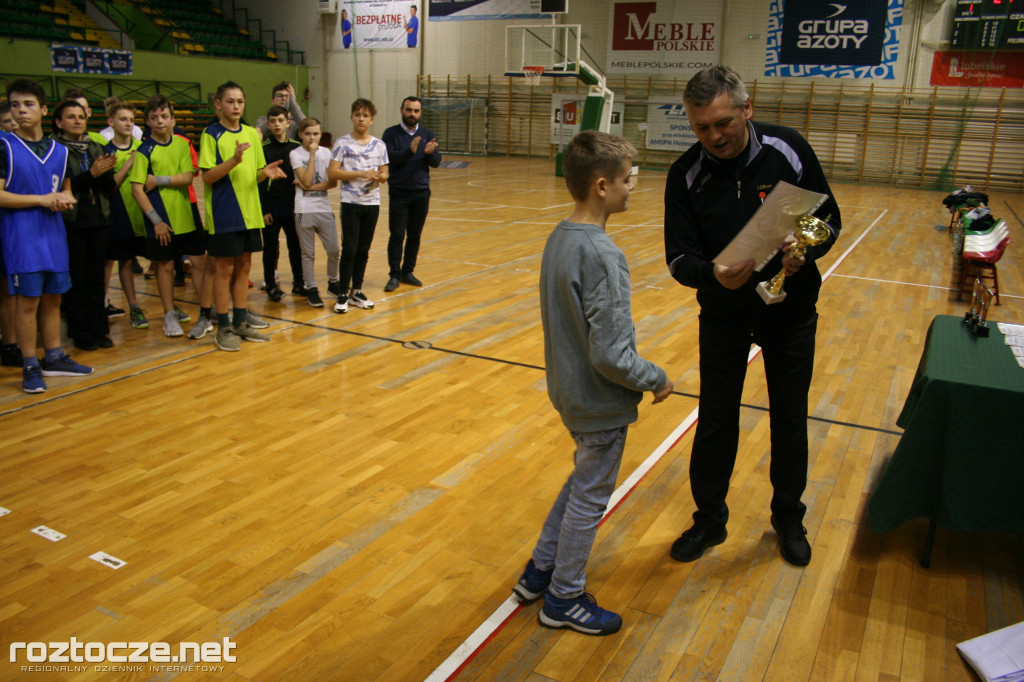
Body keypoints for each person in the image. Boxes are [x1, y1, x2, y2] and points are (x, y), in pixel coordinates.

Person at [663, 66, 842, 567]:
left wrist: (804, 246)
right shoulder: (685, 174)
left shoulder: (788, 149)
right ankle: (709, 520)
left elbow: (830, 219)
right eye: (702, 128)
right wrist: (713, 274)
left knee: (790, 417)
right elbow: (678, 259)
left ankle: (788, 516)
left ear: (747, 108)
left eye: (723, 123)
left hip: (790, 311)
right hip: (723, 315)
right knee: (716, 419)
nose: (715, 137)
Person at [511, 130, 673, 636]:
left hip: (569, 393)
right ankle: (564, 597)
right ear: (601, 186)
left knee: (582, 481)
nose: (633, 188)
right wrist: (656, 377)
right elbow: (610, 353)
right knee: (590, 497)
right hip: (598, 401)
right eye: (628, 180)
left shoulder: (559, 236)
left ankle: (540, 569)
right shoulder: (603, 254)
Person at [0, 78, 92, 393]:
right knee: (27, 302)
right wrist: (42, 199)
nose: (20, 111)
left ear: (42, 109)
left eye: (27, 104)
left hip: (53, 234)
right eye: (14, 105)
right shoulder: (5, 146)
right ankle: (29, 364)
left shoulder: (60, 150)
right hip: (21, 237)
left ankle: (53, 357)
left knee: (53, 299)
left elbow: (65, 190)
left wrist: (67, 198)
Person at [199, 81, 286, 351]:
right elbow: (208, 176)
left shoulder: (251, 133)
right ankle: (223, 326)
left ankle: (240, 320)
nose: (236, 106)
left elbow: (256, 173)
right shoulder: (210, 134)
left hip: (251, 213)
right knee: (223, 270)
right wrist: (233, 161)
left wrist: (266, 172)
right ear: (218, 105)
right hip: (225, 214)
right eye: (230, 101)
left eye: (240, 101)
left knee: (244, 267)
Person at [129, 94, 203, 338]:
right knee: (165, 266)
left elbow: (188, 177)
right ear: (147, 122)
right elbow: (137, 189)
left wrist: (158, 180)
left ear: (172, 119)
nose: (159, 121)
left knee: (199, 263)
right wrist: (156, 220)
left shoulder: (182, 144)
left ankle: (206, 311)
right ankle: (169, 314)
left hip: (187, 216)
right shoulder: (144, 150)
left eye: (164, 116)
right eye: (154, 117)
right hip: (160, 220)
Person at [51, 99, 117, 351]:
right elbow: (60, 187)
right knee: (77, 279)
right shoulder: (55, 150)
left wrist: (104, 173)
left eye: (81, 116)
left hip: (99, 219)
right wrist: (93, 174)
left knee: (96, 279)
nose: (77, 121)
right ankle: (81, 333)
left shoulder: (96, 147)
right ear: (58, 122)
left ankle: (100, 329)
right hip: (72, 222)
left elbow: (109, 187)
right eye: (70, 117)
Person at [328, 98, 388, 313]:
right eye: (357, 115)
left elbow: (385, 174)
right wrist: (361, 173)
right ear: (352, 117)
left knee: (363, 249)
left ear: (371, 119)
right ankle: (343, 292)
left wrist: (377, 178)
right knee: (350, 249)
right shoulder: (342, 143)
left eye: (365, 115)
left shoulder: (379, 145)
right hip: (350, 203)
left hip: (372, 203)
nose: (361, 119)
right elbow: (333, 173)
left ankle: (357, 291)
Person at [381, 96, 440, 292]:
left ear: (420, 113)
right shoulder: (390, 134)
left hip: (421, 193)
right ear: (401, 110)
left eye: (416, 111)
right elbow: (390, 158)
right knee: (397, 235)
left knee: (414, 235)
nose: (412, 114)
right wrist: (411, 150)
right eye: (409, 110)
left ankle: (408, 272)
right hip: (399, 193)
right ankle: (394, 275)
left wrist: (430, 153)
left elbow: (436, 162)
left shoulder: (427, 133)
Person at [103, 99, 148, 330]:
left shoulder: (144, 146)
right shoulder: (106, 151)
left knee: (159, 260)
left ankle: (170, 308)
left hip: (144, 213)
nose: (128, 123)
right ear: (111, 122)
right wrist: (129, 162)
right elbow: (109, 187)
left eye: (131, 120)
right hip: (120, 216)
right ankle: (133, 306)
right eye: (123, 119)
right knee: (125, 262)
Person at [289, 116, 339, 308]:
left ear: (321, 135)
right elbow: (307, 179)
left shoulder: (327, 152)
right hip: (304, 209)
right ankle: (311, 288)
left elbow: (332, 182)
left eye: (316, 134)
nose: (312, 138)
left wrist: (308, 186)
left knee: (334, 249)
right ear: (301, 134)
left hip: (324, 207)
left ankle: (333, 282)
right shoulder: (295, 154)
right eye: (308, 134)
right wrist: (311, 156)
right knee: (307, 253)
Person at [258, 105, 304, 301]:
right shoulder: (264, 149)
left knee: (295, 247)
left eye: (280, 120)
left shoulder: (296, 147)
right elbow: (259, 182)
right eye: (273, 121)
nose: (277, 124)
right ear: (268, 124)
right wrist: (264, 209)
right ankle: (271, 285)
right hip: (272, 207)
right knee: (270, 248)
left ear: (288, 123)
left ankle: (299, 284)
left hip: (293, 207)